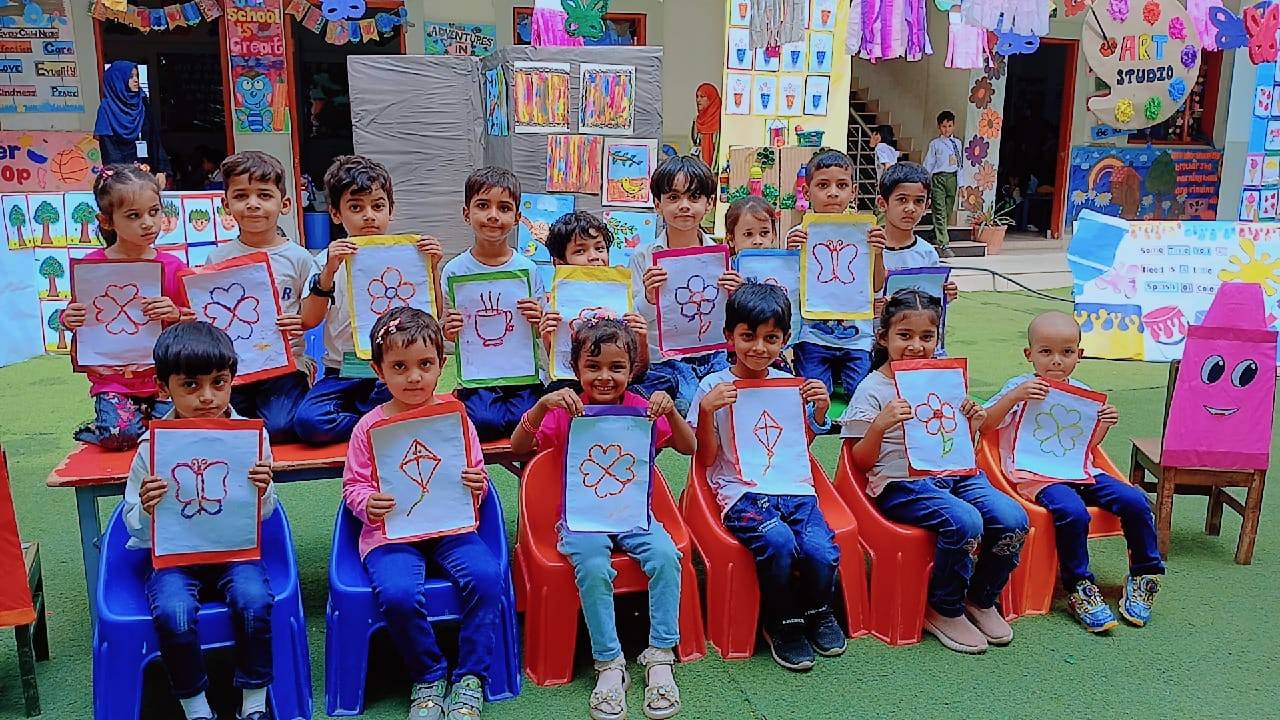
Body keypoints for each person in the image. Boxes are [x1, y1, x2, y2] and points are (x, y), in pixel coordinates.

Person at [511, 318, 693, 720]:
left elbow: (688, 447)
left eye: (616, 367)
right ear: (576, 368)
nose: (604, 377)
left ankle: (661, 654)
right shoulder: (565, 410)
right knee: (593, 566)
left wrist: (672, 412)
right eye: (593, 367)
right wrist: (541, 406)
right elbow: (518, 446)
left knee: (666, 556)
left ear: (633, 368)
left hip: (634, 514)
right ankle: (609, 663)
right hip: (581, 519)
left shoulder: (643, 410)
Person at [840, 290, 1028, 655]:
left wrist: (972, 421)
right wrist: (880, 425)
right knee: (965, 521)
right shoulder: (872, 389)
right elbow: (859, 463)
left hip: (957, 474)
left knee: (1013, 518)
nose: (916, 346)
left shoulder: (943, 379)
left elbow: (955, 442)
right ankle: (945, 607)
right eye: (904, 335)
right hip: (902, 483)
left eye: (927, 337)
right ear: (883, 338)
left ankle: (980, 598)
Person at [342, 307, 500, 720]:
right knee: (397, 594)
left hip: (451, 527)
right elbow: (353, 487)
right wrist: (367, 503)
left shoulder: (457, 418)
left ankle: (471, 676)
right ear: (378, 370)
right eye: (399, 367)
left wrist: (476, 483)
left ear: (441, 365)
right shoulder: (367, 427)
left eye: (425, 364)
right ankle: (428, 673)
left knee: (486, 577)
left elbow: (477, 474)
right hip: (390, 534)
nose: (414, 377)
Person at [122, 321, 276, 720]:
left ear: (231, 381)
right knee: (173, 612)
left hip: (234, 552)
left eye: (218, 383)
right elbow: (134, 527)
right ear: (164, 388)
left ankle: (254, 703)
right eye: (190, 385)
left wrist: (263, 491)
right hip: (174, 559)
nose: (207, 396)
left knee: (255, 601)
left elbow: (263, 514)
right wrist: (147, 507)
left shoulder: (250, 438)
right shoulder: (151, 448)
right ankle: (196, 709)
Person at [687, 283, 842, 672]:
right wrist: (706, 412)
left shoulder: (788, 383)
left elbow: (795, 445)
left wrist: (819, 412)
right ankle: (782, 621)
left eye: (771, 339)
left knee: (822, 550)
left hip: (795, 489)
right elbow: (705, 459)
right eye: (748, 336)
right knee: (778, 541)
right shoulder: (712, 387)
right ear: (729, 336)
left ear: (784, 340)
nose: (759, 347)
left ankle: (819, 609)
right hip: (741, 493)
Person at [984, 311, 1164, 631]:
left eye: (1066, 352)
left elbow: (1086, 446)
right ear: (1029, 354)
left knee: (1135, 500)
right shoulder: (1020, 386)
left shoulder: (1081, 392)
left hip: (1080, 470)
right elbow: (985, 425)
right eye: (1046, 352)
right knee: (1072, 511)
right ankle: (1079, 585)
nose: (1056, 360)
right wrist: (1015, 396)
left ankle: (1144, 573)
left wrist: (1103, 423)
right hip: (1036, 478)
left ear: (1078, 355)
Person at [294, 155, 443, 445]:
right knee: (309, 422)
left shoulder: (409, 256)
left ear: (390, 210)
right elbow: (309, 319)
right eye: (355, 207)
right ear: (336, 213)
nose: (369, 216)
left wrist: (432, 268)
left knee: (409, 397)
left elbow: (432, 317)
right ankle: (378, 423)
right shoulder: (325, 261)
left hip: (393, 372)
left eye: (377, 206)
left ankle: (384, 418)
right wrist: (329, 272)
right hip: (341, 371)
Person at [61, 164, 186, 450]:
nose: (148, 223)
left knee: (175, 431)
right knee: (119, 435)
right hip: (113, 380)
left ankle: (141, 416)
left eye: (154, 212)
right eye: (134, 215)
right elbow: (77, 315)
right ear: (106, 221)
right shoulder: (91, 267)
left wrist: (175, 313)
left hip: (164, 377)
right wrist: (69, 318)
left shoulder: (172, 266)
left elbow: (192, 318)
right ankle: (108, 424)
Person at [207, 151, 317, 442]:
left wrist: (301, 322)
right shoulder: (217, 259)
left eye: (264, 195)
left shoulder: (299, 258)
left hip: (285, 364)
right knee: (222, 424)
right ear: (226, 204)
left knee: (280, 427)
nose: (253, 204)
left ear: (285, 204)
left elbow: (315, 311)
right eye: (241, 196)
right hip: (236, 366)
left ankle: (305, 375)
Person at [440, 167, 545, 442]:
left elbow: (541, 331)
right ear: (466, 214)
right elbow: (447, 330)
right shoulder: (454, 271)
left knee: (527, 421)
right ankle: (465, 397)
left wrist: (539, 319)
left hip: (521, 373)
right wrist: (448, 329)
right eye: (483, 206)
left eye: (504, 208)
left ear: (517, 218)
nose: (493, 215)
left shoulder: (528, 269)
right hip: (478, 373)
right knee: (485, 423)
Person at [629, 155, 738, 414]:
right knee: (685, 406)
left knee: (728, 404)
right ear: (658, 204)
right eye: (674, 197)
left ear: (709, 203)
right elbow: (634, 319)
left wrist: (736, 296)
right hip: (664, 360)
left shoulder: (721, 257)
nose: (684, 206)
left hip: (713, 354)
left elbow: (729, 317)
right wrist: (650, 297)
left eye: (694, 197)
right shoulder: (643, 257)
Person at [785, 150, 887, 398]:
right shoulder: (799, 234)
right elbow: (788, 285)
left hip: (857, 337)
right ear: (807, 192)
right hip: (812, 336)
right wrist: (789, 254)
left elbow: (875, 286)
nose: (833, 192)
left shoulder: (865, 233)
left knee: (860, 393)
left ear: (853, 191)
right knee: (815, 394)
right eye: (823, 185)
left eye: (841, 185)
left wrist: (878, 252)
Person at [539, 211, 650, 393]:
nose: (594, 257)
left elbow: (639, 370)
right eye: (580, 251)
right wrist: (548, 338)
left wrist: (642, 339)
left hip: (618, 386)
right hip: (576, 386)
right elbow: (561, 370)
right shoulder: (556, 308)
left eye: (600, 248)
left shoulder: (622, 299)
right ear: (559, 263)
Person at [876, 162, 960, 316]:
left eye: (919, 201)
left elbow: (930, 303)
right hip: (868, 329)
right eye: (902, 199)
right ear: (882, 203)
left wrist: (943, 296)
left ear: (927, 205)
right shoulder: (868, 248)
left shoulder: (927, 254)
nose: (910, 208)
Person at [94, 60, 169, 186]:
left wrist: (161, 170)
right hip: (122, 178)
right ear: (117, 80)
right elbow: (109, 149)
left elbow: (154, 137)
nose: (136, 80)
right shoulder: (106, 109)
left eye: (137, 76)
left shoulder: (142, 103)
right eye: (130, 77)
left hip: (147, 172)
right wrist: (125, 175)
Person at [923, 110, 962, 257]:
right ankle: (944, 244)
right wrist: (925, 180)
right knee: (939, 210)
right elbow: (929, 163)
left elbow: (960, 165)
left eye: (949, 126)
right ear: (939, 127)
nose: (947, 129)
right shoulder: (935, 144)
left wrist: (962, 185)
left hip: (952, 179)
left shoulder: (957, 143)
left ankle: (935, 233)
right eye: (944, 126)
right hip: (938, 178)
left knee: (948, 211)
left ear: (954, 126)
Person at [691, 83, 722, 169]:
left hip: (716, 170)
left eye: (702, 96)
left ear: (711, 99)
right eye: (697, 96)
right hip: (699, 170)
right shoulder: (696, 121)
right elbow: (694, 145)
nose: (698, 100)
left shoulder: (721, 121)